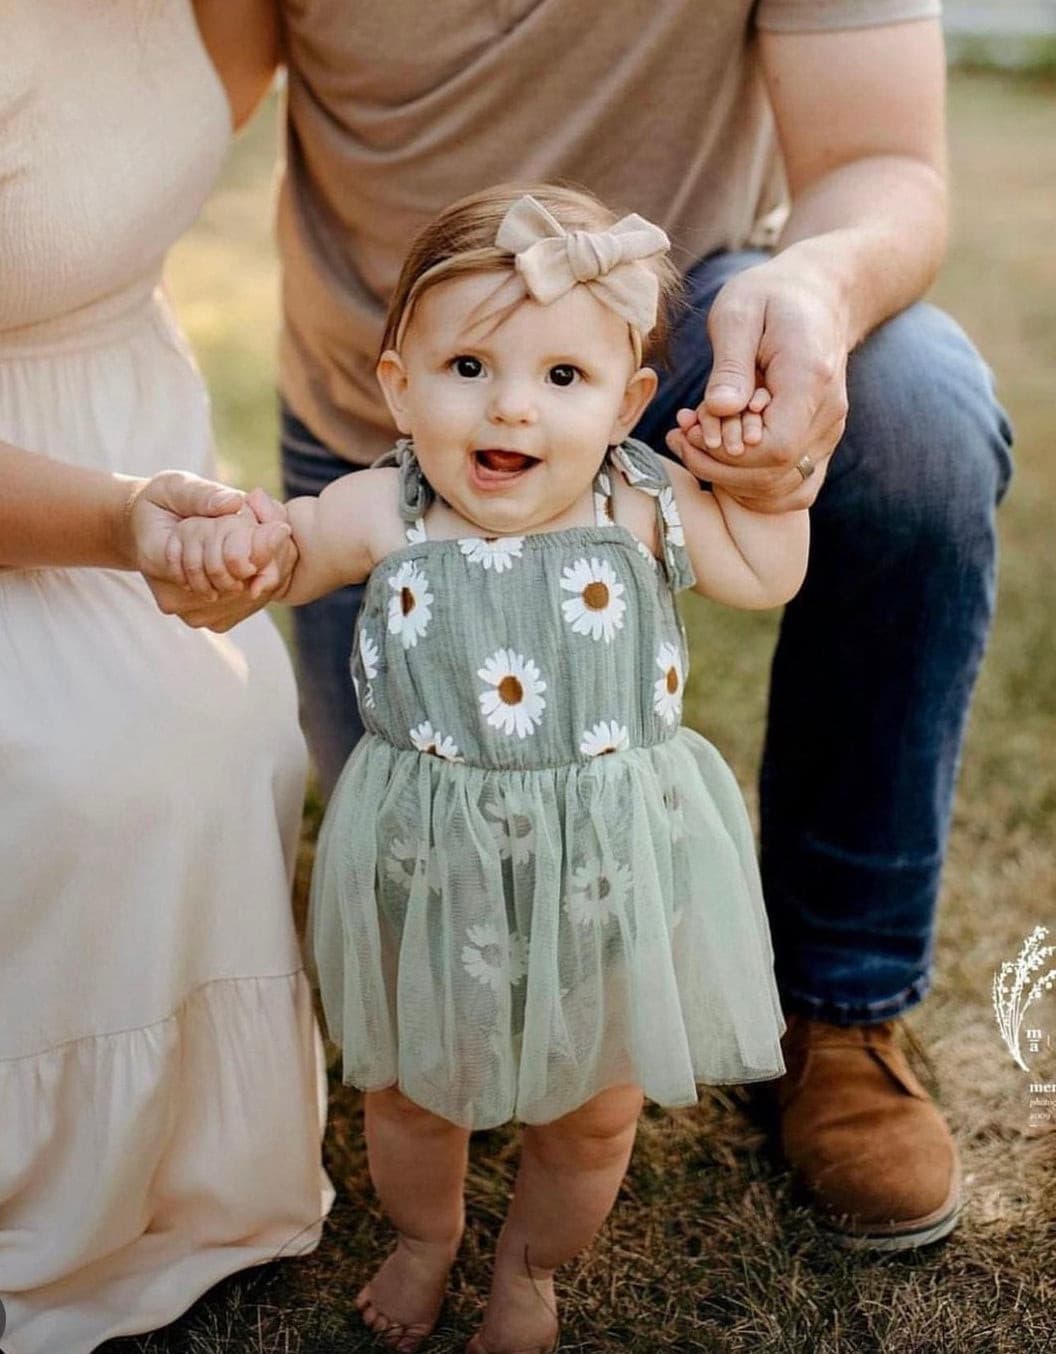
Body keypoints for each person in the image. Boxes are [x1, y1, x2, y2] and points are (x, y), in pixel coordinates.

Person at [245, 0, 1010, 1251]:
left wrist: (796, 351)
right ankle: (432, 1194)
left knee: (921, 412)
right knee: (420, 867)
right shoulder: (377, 494)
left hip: (678, 295)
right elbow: (165, 101)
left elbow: (887, 158)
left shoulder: (643, 461)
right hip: (367, 406)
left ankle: (843, 998)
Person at [170, 183, 809, 1353]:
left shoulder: (644, 504)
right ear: (397, 385)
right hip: (432, 869)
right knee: (415, 1093)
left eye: (562, 378)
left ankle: (533, 1265)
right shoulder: (384, 511)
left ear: (626, 404)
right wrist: (236, 544)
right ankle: (426, 1237)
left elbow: (766, 575)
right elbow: (279, 560)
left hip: (607, 868)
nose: (511, 404)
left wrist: (772, 489)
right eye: (468, 367)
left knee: (594, 1113)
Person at [0, 5, 331, 1352]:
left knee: (225, 737)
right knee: (73, 776)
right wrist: (124, 522)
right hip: (47, 474)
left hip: (124, 399)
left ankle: (182, 1166)